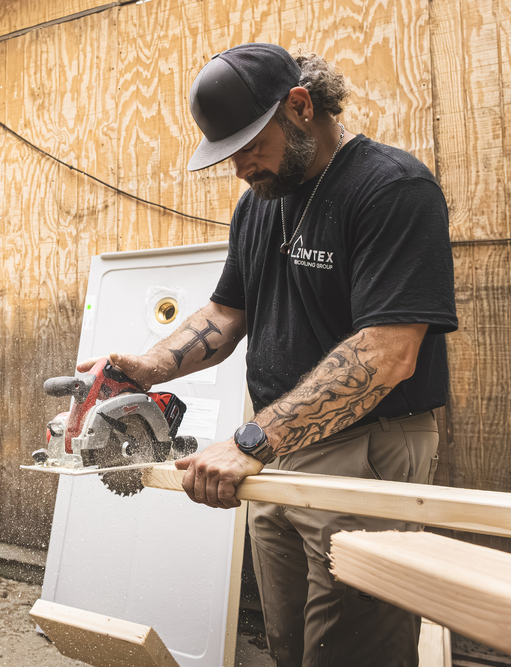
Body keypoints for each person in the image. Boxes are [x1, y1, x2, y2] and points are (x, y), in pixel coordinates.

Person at [78, 43, 457, 667]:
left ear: (301, 107)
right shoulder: (260, 203)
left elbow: (387, 353)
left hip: (363, 446)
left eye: (251, 147)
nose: (241, 168)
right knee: (288, 642)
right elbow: (228, 313)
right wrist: (146, 367)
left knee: (352, 651)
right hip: (274, 442)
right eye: (229, 155)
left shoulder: (391, 189)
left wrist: (253, 441)